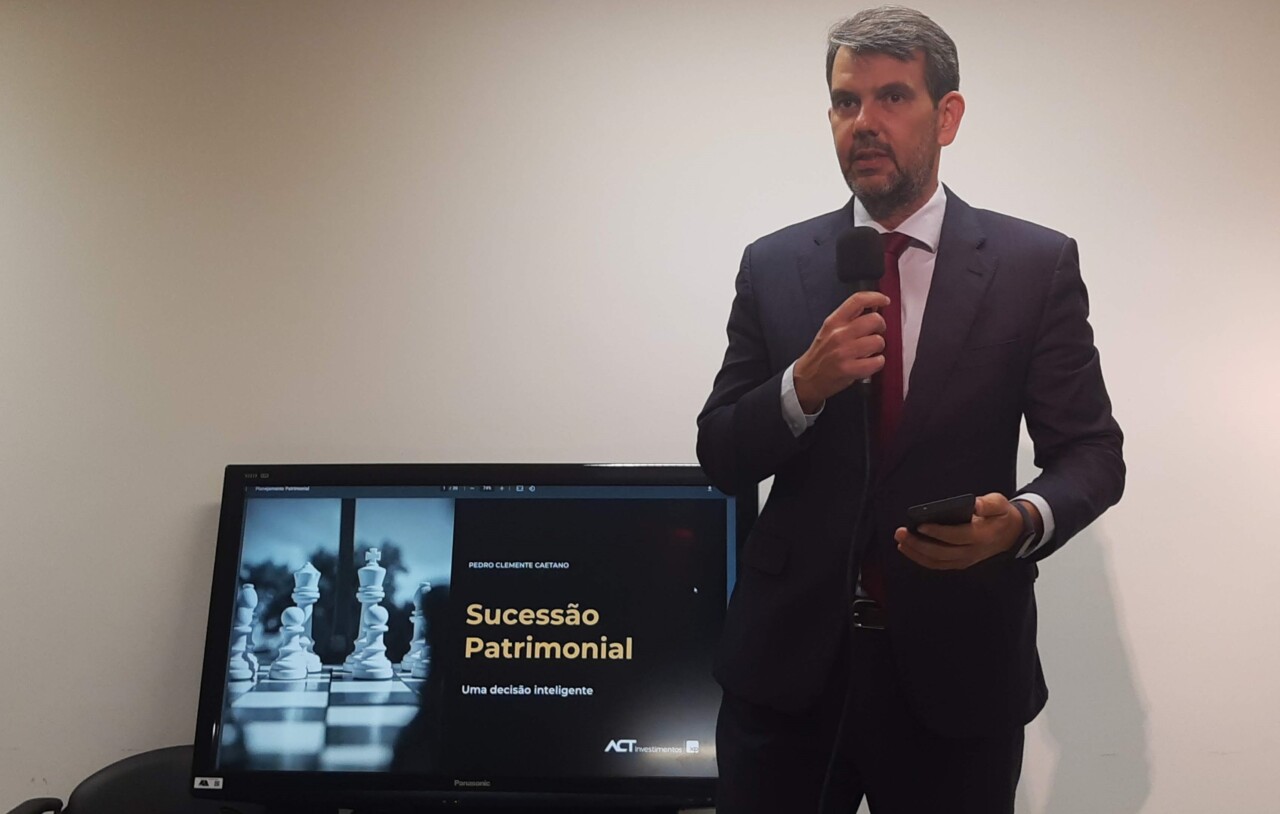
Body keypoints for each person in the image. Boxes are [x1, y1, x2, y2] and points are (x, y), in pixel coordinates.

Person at [696, 6, 1125, 813]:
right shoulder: (774, 264)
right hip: (787, 675)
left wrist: (1021, 522)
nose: (864, 122)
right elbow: (720, 454)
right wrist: (802, 386)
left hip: (959, 669)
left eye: (892, 97)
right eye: (845, 101)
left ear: (947, 115)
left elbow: (1093, 454)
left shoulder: (1033, 266)